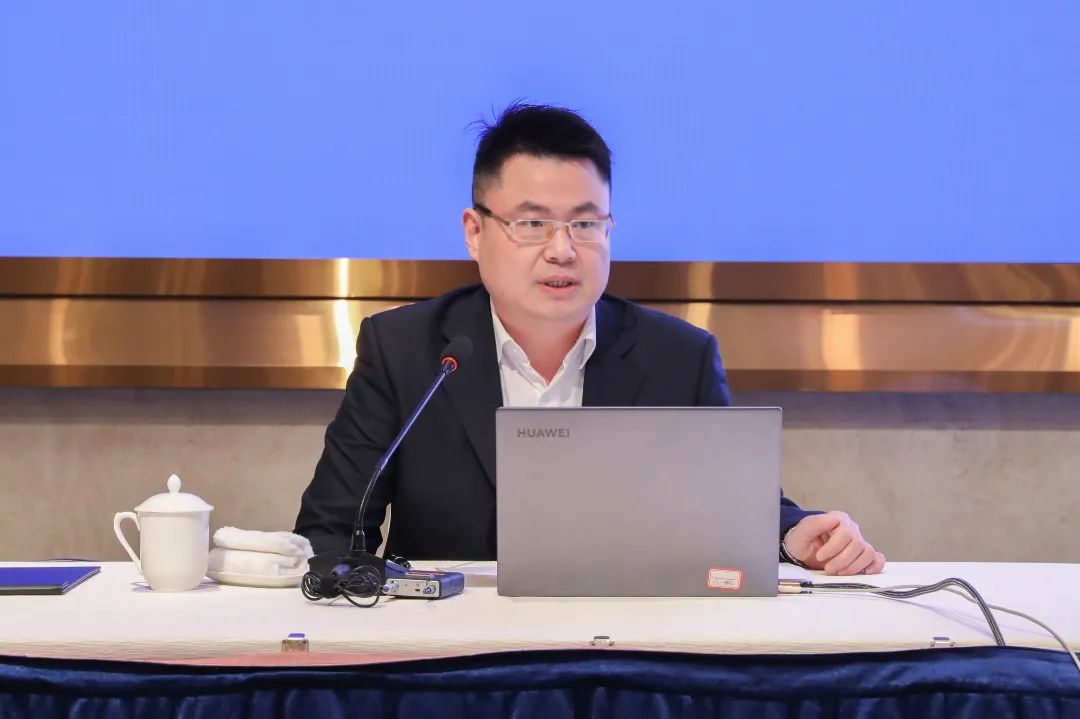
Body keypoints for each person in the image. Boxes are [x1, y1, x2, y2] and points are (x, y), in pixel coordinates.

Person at [295, 103, 886, 576]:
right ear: (475, 232)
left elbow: (739, 513)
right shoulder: (406, 351)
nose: (562, 249)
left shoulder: (679, 358)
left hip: (626, 654)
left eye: (585, 224)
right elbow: (330, 532)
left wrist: (795, 536)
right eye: (532, 224)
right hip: (450, 659)